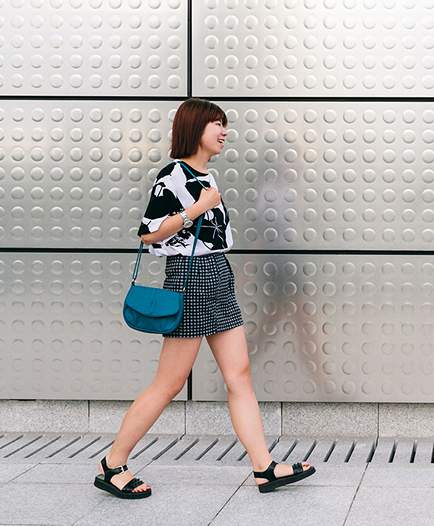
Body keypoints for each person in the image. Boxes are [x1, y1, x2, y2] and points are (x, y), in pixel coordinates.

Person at [93, 98, 315, 499]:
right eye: (216, 123)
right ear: (195, 128)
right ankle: (113, 464)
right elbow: (148, 232)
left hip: (216, 277)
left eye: (224, 124)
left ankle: (264, 467)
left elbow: (215, 240)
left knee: (239, 375)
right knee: (169, 383)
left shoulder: (207, 177)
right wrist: (197, 208)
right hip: (189, 280)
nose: (224, 131)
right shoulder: (173, 176)